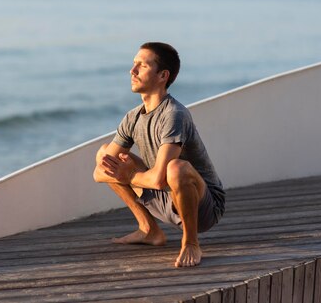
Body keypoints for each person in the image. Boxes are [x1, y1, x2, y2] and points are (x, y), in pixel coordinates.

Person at [93, 42, 225, 267]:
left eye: (142, 66)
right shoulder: (133, 117)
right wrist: (123, 172)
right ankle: (149, 230)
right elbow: (99, 172)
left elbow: (159, 178)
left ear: (163, 75)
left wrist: (129, 176)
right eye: (133, 64)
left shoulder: (174, 115)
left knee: (176, 168)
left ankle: (191, 242)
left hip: (203, 207)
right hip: (163, 196)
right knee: (106, 153)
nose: (132, 71)